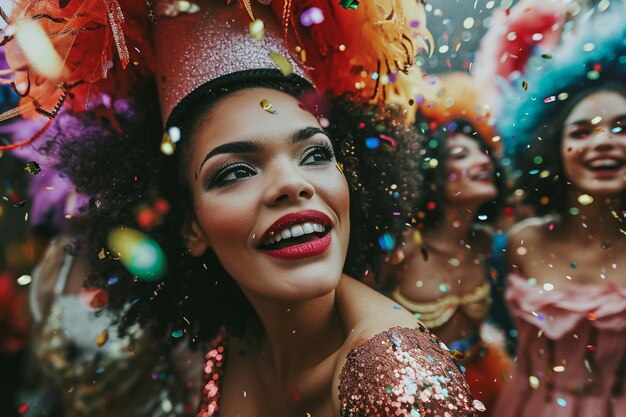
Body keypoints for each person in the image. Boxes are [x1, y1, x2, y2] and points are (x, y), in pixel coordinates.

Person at [2, 1, 481, 416]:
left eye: (315, 154)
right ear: (191, 226)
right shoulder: (236, 338)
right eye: (235, 171)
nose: (292, 185)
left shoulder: (400, 379)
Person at [492, 3, 626, 416]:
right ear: (552, 149)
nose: (602, 142)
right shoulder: (519, 243)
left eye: (621, 129)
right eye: (582, 132)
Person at [379, 72, 511, 413]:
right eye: (462, 155)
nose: (483, 161)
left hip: (488, 386)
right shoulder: (401, 247)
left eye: (482, 153)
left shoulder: (485, 244)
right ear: (432, 173)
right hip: (413, 396)